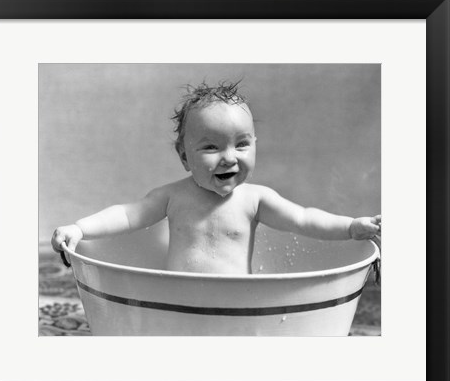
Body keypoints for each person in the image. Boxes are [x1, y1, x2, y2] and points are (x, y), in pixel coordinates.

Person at [52, 81, 381, 275]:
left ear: (254, 145)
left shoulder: (256, 200)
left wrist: (351, 227)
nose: (229, 157)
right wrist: (79, 228)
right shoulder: (171, 197)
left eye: (241, 144)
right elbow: (126, 214)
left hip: (236, 304)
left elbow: (305, 220)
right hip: (173, 301)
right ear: (184, 157)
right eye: (211, 146)